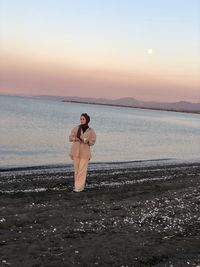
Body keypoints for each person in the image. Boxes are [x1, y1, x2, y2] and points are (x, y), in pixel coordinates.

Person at [69, 113, 96, 192]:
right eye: (81, 119)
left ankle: (78, 187)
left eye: (83, 119)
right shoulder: (76, 128)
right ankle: (78, 186)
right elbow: (70, 137)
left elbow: (93, 142)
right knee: (76, 169)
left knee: (82, 170)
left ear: (87, 120)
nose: (81, 120)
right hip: (75, 152)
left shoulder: (91, 131)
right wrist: (75, 139)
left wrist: (88, 141)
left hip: (85, 153)